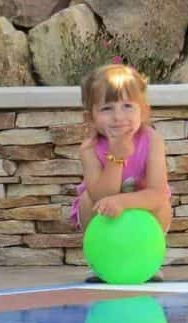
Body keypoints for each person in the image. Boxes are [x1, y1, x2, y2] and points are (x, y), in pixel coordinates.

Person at [69, 64, 172, 281]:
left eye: (127, 106)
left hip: (143, 204)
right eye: (107, 108)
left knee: (162, 204)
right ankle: (103, 259)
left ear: (144, 111)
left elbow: (157, 193)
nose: (118, 116)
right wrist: (116, 158)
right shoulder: (89, 149)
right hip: (104, 209)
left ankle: (146, 259)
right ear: (90, 117)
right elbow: (100, 196)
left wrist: (124, 202)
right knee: (87, 200)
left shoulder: (152, 140)